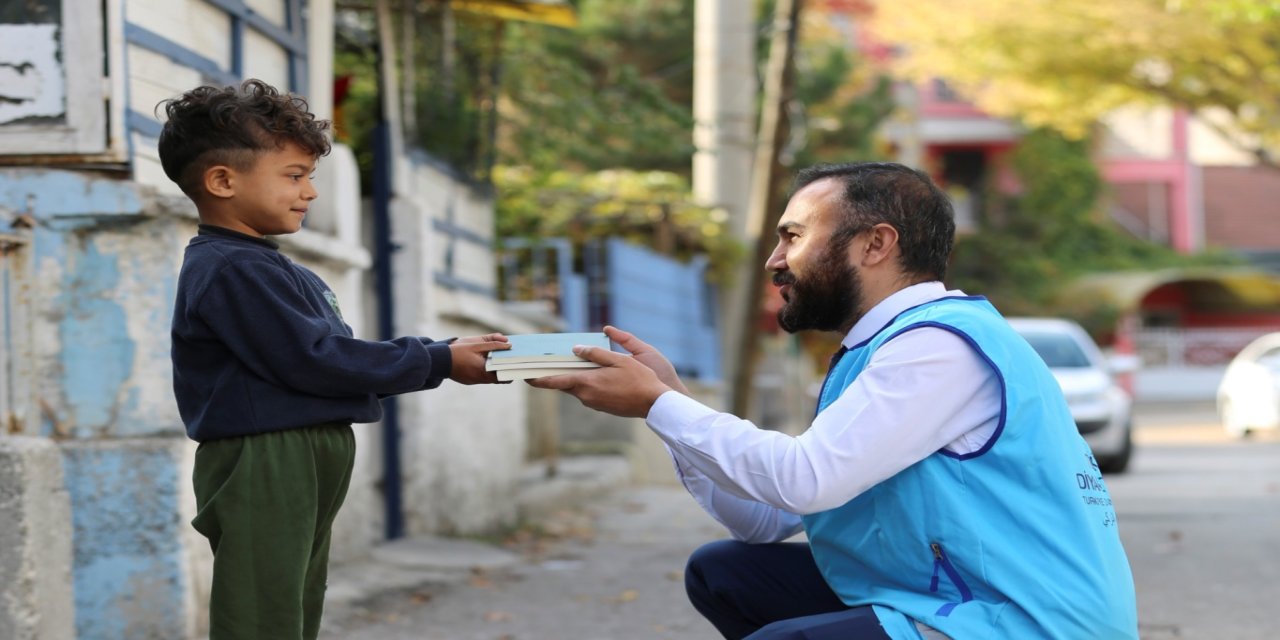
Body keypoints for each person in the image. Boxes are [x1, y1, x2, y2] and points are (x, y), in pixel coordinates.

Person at [530, 162, 1139, 640]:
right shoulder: (881, 348)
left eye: (792, 236)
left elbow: (804, 481)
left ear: (876, 244)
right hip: (949, 595)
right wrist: (668, 404)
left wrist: (657, 405)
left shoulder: (938, 346)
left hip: (1022, 621)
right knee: (727, 573)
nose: (775, 260)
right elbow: (764, 520)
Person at [159, 79, 510, 640]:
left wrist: (440, 357)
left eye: (310, 177)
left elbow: (328, 357)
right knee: (261, 610)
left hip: (301, 449)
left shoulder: (272, 267)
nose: (311, 193)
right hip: (266, 456)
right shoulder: (231, 269)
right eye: (294, 176)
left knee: (296, 601)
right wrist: (438, 360)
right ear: (222, 181)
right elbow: (317, 360)